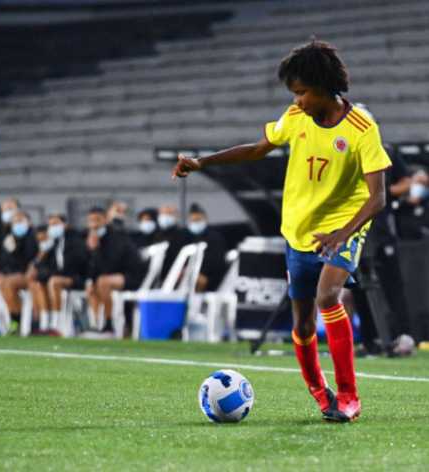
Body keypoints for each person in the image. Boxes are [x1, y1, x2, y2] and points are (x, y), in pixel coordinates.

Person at [172, 40, 391, 422]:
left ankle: (349, 396)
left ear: (324, 86)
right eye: (295, 93)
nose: (298, 100)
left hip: (343, 228)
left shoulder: (361, 128)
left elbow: (377, 198)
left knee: (328, 298)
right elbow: (258, 148)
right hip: (298, 232)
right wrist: (202, 162)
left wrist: (343, 231)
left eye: (303, 92)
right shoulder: (296, 117)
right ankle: (322, 396)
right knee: (303, 323)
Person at [86, 207, 145, 334]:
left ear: (106, 220)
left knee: (102, 281)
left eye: (97, 220)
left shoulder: (116, 236)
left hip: (132, 276)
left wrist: (96, 250)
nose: (94, 224)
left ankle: (109, 323)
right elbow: (92, 267)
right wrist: (92, 251)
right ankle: (96, 324)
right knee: (91, 285)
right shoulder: (93, 239)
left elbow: (111, 266)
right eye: (91, 221)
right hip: (113, 276)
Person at [186, 204, 227, 292]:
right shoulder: (185, 237)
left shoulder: (215, 238)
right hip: (188, 279)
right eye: (193, 221)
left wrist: (203, 276)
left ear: (205, 219)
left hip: (210, 281)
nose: (195, 223)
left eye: (198, 220)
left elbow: (217, 263)